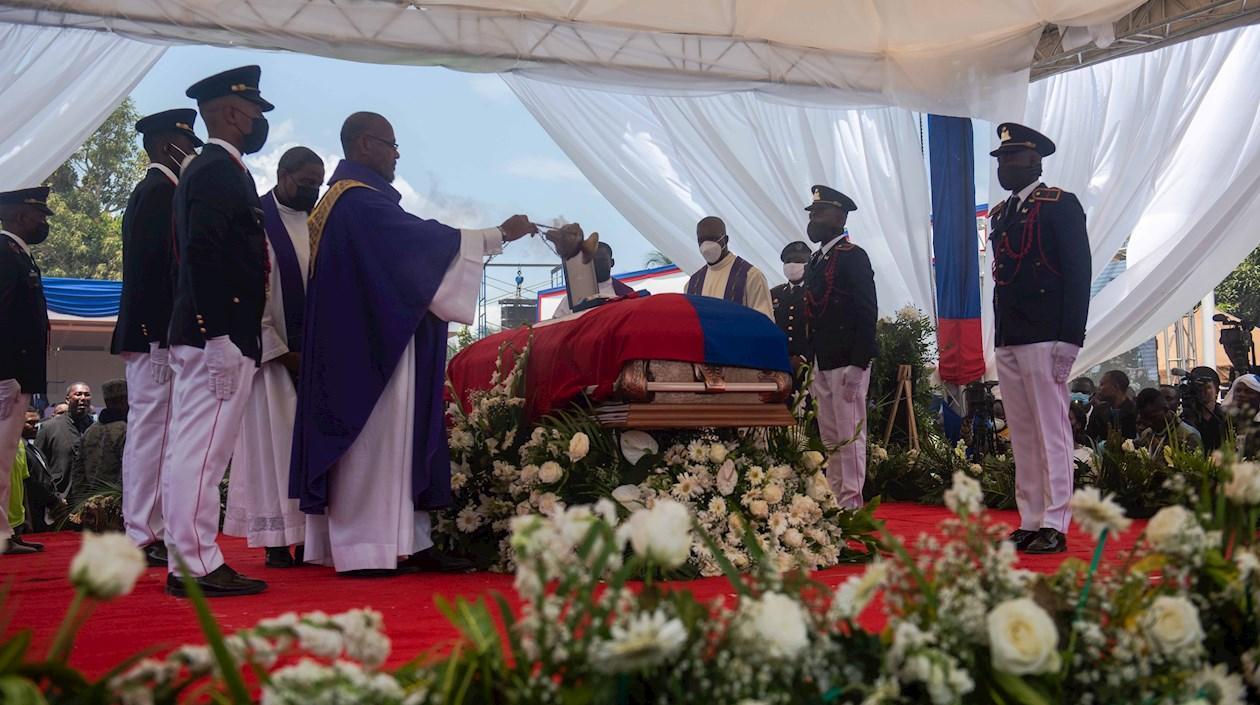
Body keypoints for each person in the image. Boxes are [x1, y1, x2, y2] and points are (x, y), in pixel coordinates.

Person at [290, 112, 537, 576]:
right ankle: (366, 546)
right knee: (377, 440)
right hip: (371, 351)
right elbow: (420, 245)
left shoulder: (342, 203)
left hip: (365, 341)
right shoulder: (358, 204)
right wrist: (498, 234)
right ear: (365, 144)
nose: (397, 153)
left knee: (391, 442)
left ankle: (406, 539)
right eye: (391, 143)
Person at [163, 65, 274, 598]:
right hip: (218, 335)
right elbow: (203, 258)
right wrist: (218, 336)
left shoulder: (220, 171)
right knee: (201, 453)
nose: (258, 121)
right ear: (232, 113)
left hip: (220, 332)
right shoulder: (215, 171)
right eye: (255, 111)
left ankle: (192, 557)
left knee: (199, 451)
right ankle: (195, 564)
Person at [987, 123, 1090, 555]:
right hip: (1012, 335)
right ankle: (1030, 517)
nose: (1005, 166)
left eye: (1013, 159)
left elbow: (1078, 272)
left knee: (1052, 431)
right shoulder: (1002, 213)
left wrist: (1071, 338)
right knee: (1023, 432)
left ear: (1035, 160)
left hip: (1048, 334)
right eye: (1001, 160)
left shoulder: (1059, 204)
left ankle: (1056, 519)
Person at [224, 146, 324, 568]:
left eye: (318, 185)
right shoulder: (258, 222)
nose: (312, 192)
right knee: (273, 451)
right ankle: (276, 541)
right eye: (305, 184)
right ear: (283, 175)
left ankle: (311, 537)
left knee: (309, 449)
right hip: (274, 361)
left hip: (317, 362)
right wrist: (284, 353)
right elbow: (249, 295)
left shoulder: (322, 223)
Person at [112, 109, 202, 567]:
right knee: (152, 433)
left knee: (161, 434)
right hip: (153, 336)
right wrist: (156, 338)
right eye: (187, 145)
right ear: (167, 145)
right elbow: (150, 274)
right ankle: (142, 533)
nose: (192, 152)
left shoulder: (164, 191)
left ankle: (153, 528)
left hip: (158, 335)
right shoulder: (157, 192)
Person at [803, 185, 877, 509]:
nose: (813, 218)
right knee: (831, 437)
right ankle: (835, 500)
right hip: (823, 359)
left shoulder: (852, 256)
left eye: (820, 213)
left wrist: (859, 363)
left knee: (849, 437)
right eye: (812, 213)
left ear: (839, 216)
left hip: (848, 361)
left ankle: (851, 504)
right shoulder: (816, 261)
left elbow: (866, 310)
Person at [0, 187, 53, 555]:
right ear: (19, 215)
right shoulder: (5, 255)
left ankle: (5, 529)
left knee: (4, 460)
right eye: (39, 215)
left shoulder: (18, 254)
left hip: (17, 376)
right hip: (7, 376)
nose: (43, 222)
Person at [686, 216, 773, 319]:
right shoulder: (693, 282)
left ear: (725, 240)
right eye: (701, 240)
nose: (706, 246)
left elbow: (765, 323)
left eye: (712, 239)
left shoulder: (750, 276)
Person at [71, 379, 128, 505]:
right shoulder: (126, 430)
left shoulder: (90, 431)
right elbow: (127, 472)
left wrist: (80, 504)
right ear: (124, 401)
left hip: (90, 503)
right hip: (116, 504)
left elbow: (78, 473)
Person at [36, 382, 93, 498]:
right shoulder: (50, 427)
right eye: (78, 394)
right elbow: (38, 466)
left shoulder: (95, 428)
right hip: (60, 497)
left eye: (87, 395)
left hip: (89, 498)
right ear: (67, 399)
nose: (83, 398)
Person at [551, 242, 635, 318]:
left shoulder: (627, 293)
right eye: (593, 261)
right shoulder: (573, 298)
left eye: (602, 260)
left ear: (612, 262)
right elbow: (557, 325)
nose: (598, 264)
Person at [19, 407, 62, 534]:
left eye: (37, 422)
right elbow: (33, 483)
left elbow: (45, 478)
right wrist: (54, 501)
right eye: (30, 423)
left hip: (45, 512)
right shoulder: (19, 452)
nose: (35, 426)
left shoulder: (34, 449)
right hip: (31, 513)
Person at [771, 241, 811, 372]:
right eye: (788, 261)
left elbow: (822, 330)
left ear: (808, 264)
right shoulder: (774, 294)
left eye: (799, 261)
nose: (792, 265)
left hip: (807, 366)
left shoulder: (816, 293)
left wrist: (805, 357)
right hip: (778, 362)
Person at [1136, 387, 1202, 455]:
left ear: (1165, 409)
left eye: (1153, 417)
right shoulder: (1147, 434)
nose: (1149, 423)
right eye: (1144, 418)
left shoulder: (1189, 435)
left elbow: (1195, 464)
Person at [1084, 370, 1137, 444]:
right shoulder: (1099, 410)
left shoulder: (1135, 411)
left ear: (1115, 386)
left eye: (1102, 384)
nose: (1098, 388)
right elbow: (1089, 439)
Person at [1180, 366, 1225, 454]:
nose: (1201, 391)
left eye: (1207, 387)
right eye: (1198, 387)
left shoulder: (1226, 417)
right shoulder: (1184, 419)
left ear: (1217, 390)